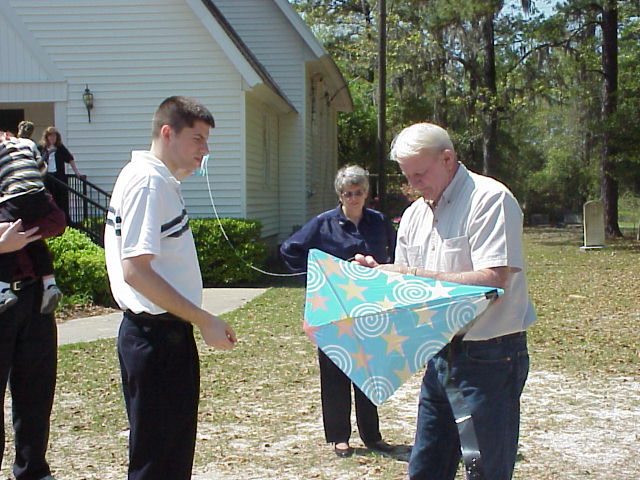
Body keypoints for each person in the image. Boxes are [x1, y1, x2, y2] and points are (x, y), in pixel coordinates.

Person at [353, 123, 535, 480]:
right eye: (407, 176)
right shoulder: (414, 215)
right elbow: (410, 288)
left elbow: (493, 280)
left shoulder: (490, 199)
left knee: (485, 471)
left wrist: (410, 274)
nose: (413, 184)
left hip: (490, 355)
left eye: (419, 174)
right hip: (439, 353)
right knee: (426, 468)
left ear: (448, 159)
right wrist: (375, 279)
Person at [104, 96, 237, 480]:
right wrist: (205, 320)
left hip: (165, 336)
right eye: (197, 139)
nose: (205, 150)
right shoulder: (148, 182)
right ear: (168, 133)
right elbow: (136, 271)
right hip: (154, 338)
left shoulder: (157, 180)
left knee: (170, 457)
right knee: (157, 462)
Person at [280, 165, 397, 458]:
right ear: (339, 195)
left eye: (358, 193)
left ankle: (372, 436)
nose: (353, 198)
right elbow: (290, 250)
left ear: (367, 193)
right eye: (348, 193)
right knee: (334, 372)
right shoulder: (324, 223)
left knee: (369, 371)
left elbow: (397, 254)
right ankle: (339, 437)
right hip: (334, 306)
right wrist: (321, 276)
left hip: (371, 305)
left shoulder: (379, 222)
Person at [0, 200, 66, 480]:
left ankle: (33, 470)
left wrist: (16, 230)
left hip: (34, 296)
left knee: (36, 391)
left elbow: (57, 220)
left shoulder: (22, 184)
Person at [0, 132, 64, 314]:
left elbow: (58, 222)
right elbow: (41, 166)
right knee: (34, 242)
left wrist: (12, 232)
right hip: (36, 195)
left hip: (32, 295)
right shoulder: (27, 144)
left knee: (18, 242)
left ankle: (3, 289)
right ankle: (50, 284)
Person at [39, 126, 84, 218]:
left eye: (54, 136)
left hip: (58, 177)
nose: (52, 138)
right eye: (50, 136)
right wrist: (48, 153)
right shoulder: (41, 148)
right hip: (46, 177)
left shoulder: (60, 147)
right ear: (47, 137)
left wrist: (76, 172)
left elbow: (70, 158)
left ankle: (63, 219)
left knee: (60, 200)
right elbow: (38, 162)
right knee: (48, 199)